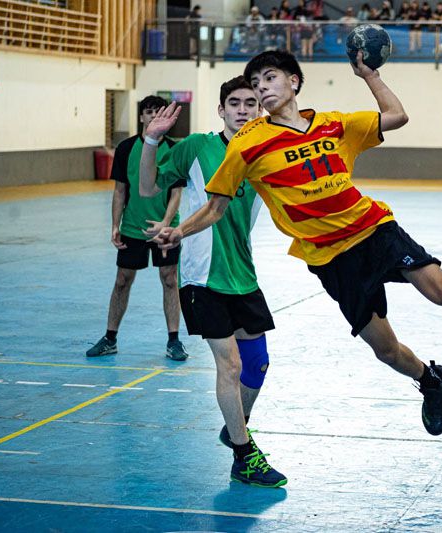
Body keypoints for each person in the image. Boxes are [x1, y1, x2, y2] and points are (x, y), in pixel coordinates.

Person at [147, 49, 442, 441]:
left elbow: (397, 115)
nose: (261, 88)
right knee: (385, 349)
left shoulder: (334, 123)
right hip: (329, 258)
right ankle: (430, 379)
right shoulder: (247, 143)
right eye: (255, 83)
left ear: (294, 81)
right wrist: (178, 232)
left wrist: (370, 75)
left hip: (373, 229)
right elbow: (217, 207)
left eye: (269, 78)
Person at [138, 77, 286, 488]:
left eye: (251, 103)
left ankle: (236, 425)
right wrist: (151, 142)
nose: (242, 109)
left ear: (260, 110)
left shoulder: (265, 155)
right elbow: (148, 186)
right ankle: (243, 457)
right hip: (202, 277)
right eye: (234, 103)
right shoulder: (197, 147)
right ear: (221, 109)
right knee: (231, 364)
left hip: (243, 273)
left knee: (257, 364)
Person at [86, 95, 188, 362]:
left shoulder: (175, 149)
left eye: (158, 111)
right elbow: (120, 191)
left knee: (170, 280)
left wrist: (166, 224)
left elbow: (176, 193)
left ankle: (174, 341)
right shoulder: (126, 148)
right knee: (122, 281)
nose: (153, 116)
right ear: (141, 116)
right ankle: (110, 338)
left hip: (165, 230)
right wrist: (114, 225)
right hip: (133, 228)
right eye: (149, 112)